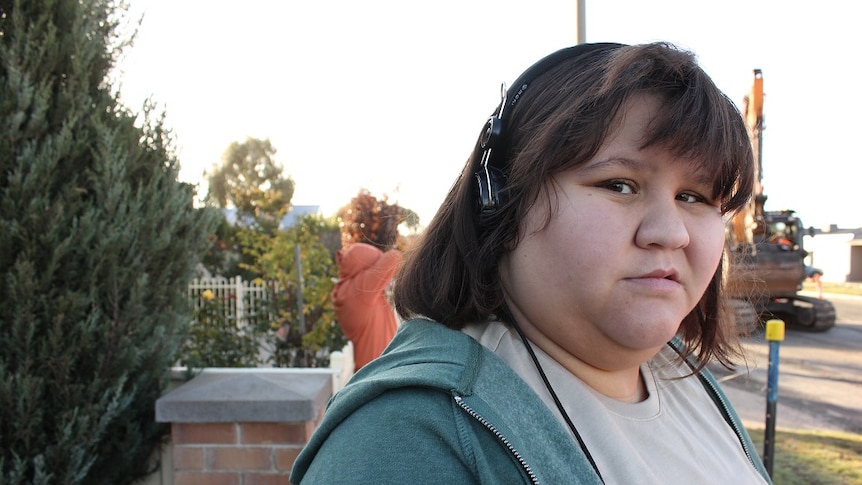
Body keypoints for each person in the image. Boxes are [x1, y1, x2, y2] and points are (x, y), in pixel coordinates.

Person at [291, 42, 772, 484]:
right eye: (619, 185)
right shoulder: (402, 442)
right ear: (500, 201)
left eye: (694, 196)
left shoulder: (684, 376)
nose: (671, 232)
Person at [331, 241, 402, 370]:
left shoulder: (346, 291)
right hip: (378, 371)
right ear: (363, 268)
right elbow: (394, 257)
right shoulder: (359, 290)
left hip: (370, 368)